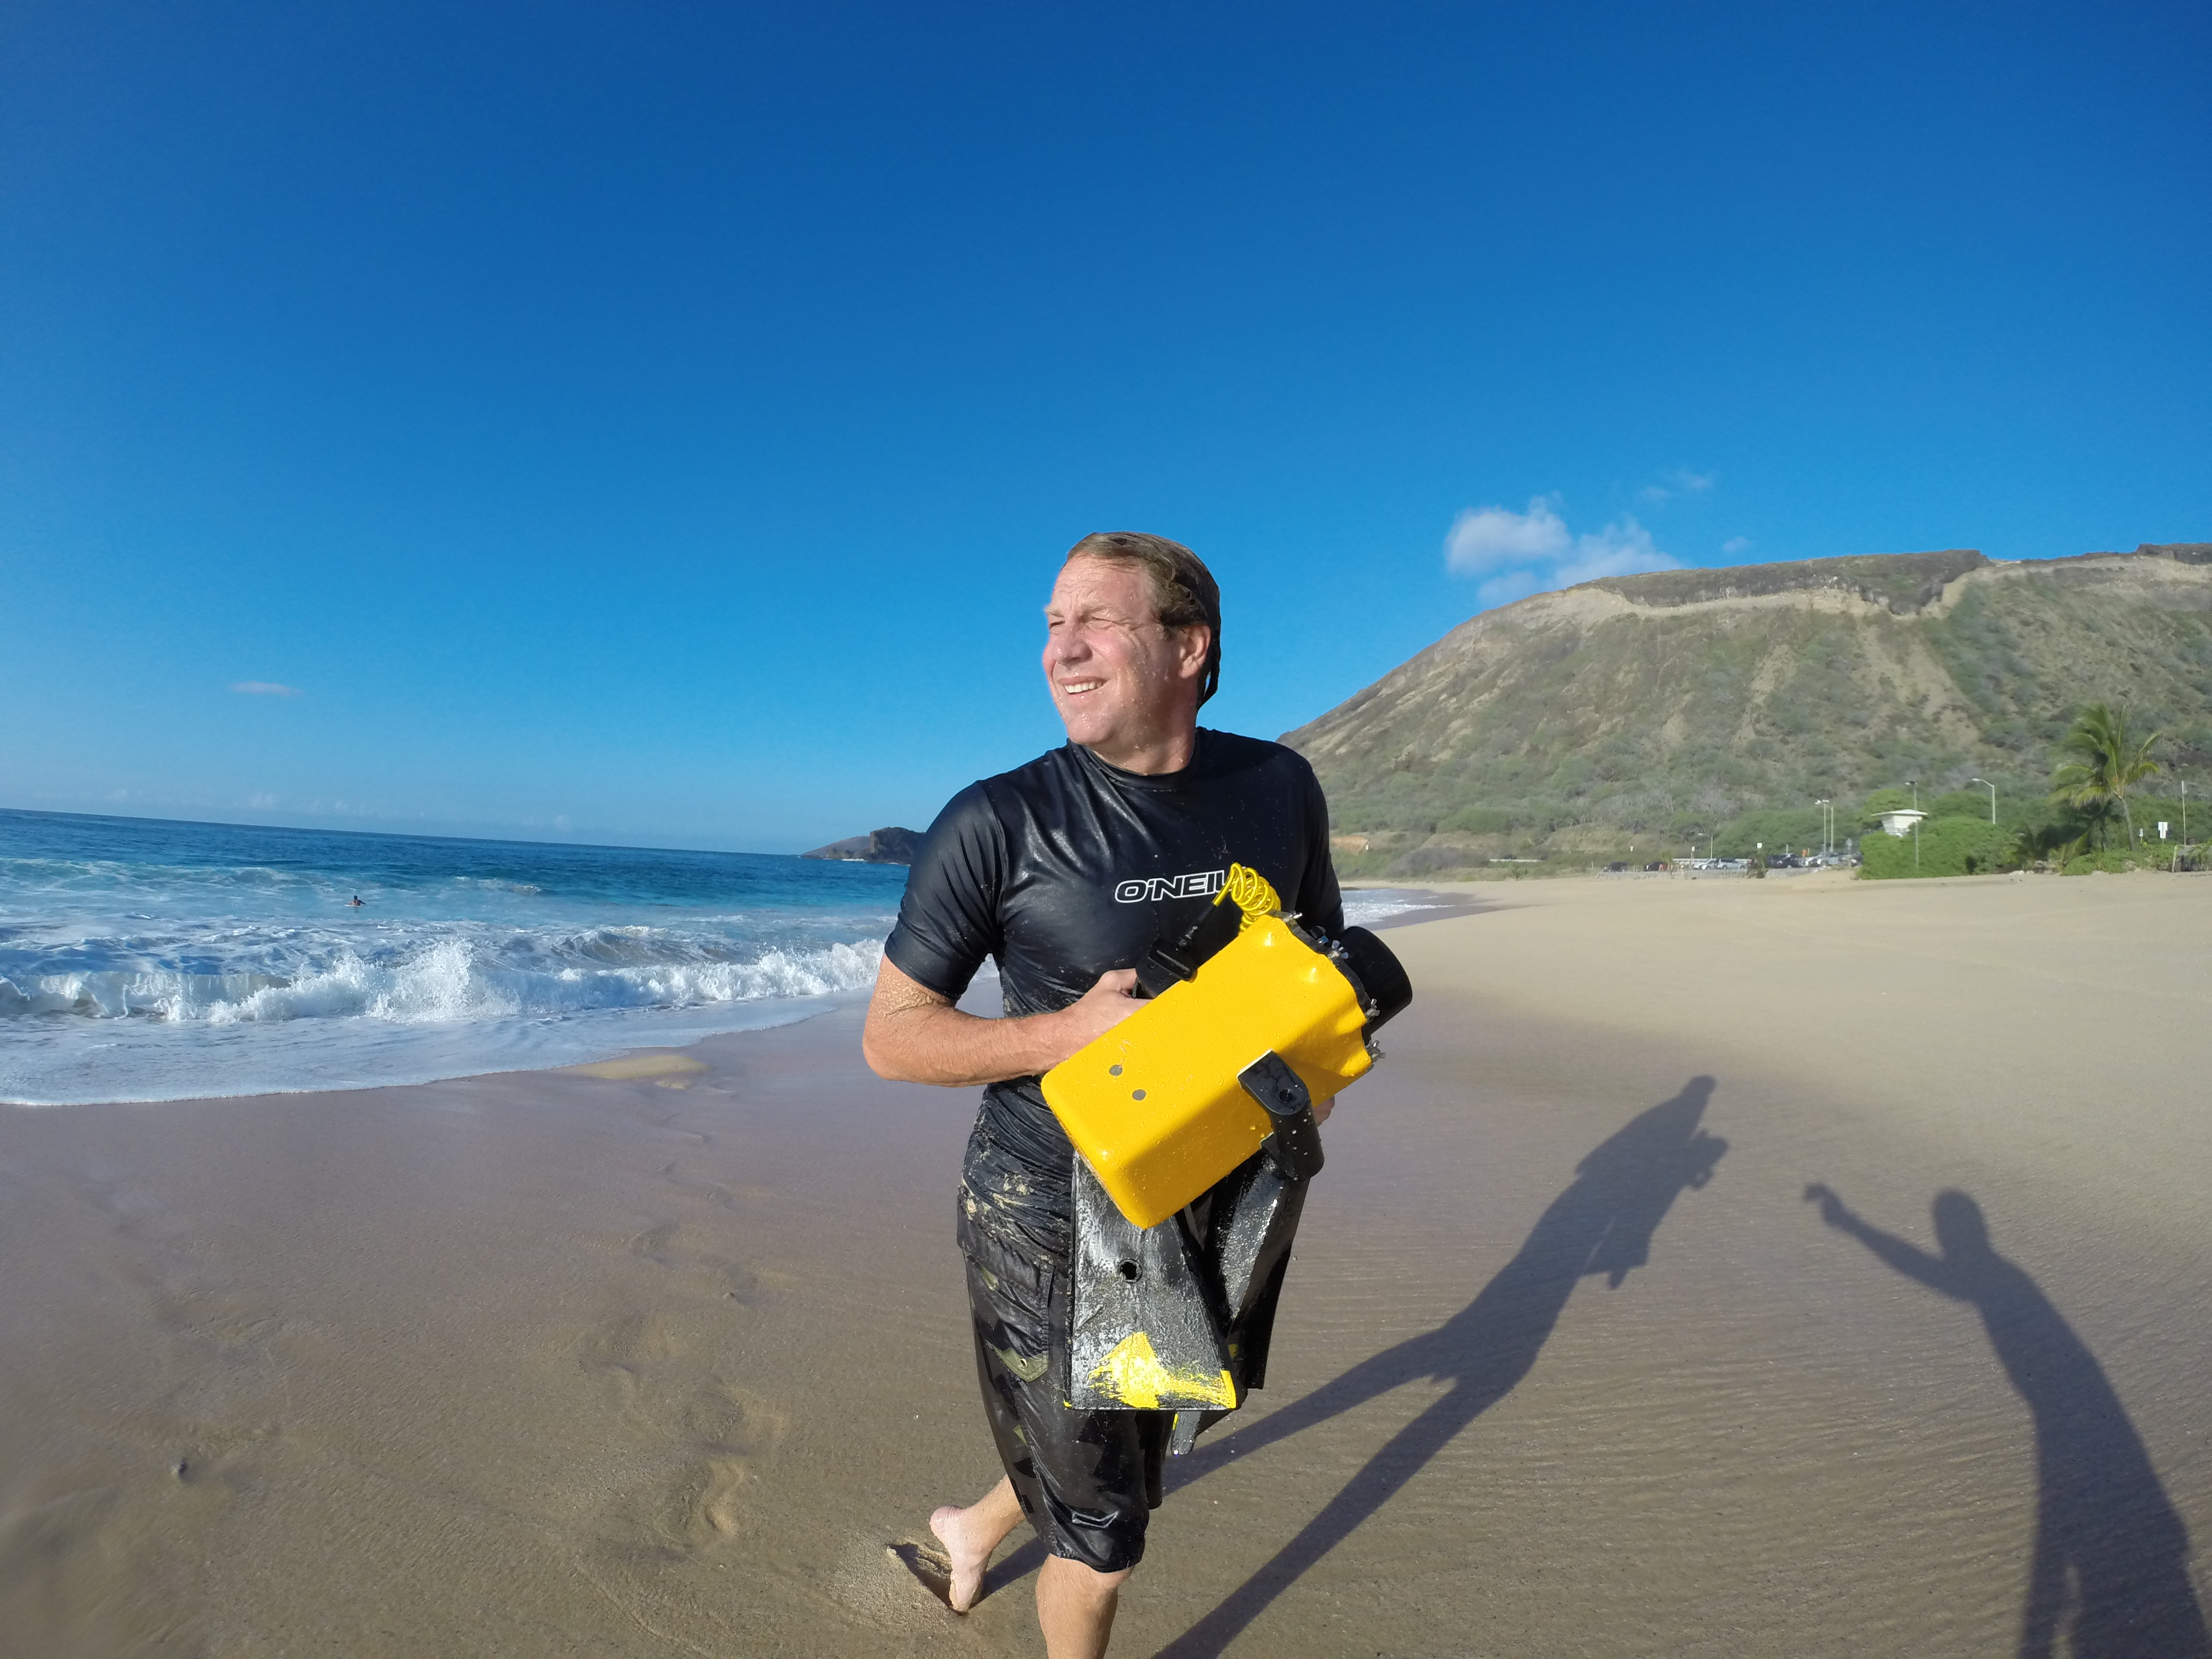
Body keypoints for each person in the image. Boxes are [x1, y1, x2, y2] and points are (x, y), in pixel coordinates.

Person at [863, 531, 1343, 1658]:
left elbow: (1312, 963)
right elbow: (892, 1041)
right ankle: (1035, 1546)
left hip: (1218, 1176)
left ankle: (970, 1530)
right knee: (1105, 1533)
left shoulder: (1279, 787)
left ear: (1189, 646)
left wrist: (1306, 1110)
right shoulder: (998, 822)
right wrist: (1064, 1033)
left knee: (1133, 1427)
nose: (1060, 650)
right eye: (1048, 624)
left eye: (1096, 623)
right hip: (1045, 1199)